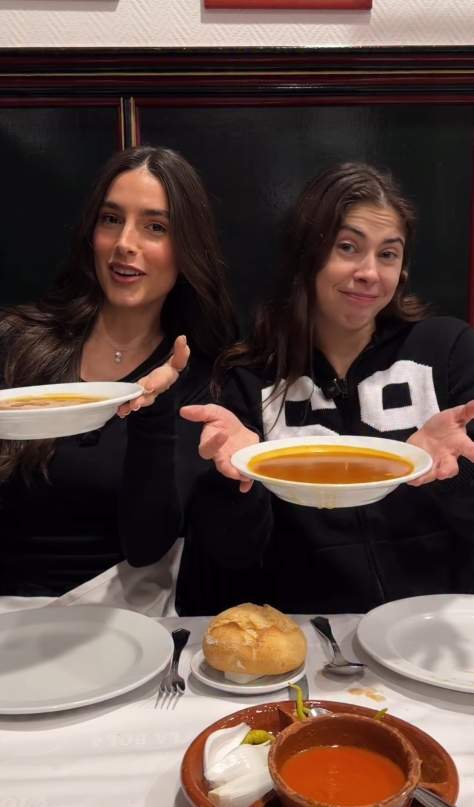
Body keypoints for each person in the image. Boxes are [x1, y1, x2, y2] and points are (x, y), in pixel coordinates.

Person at [180, 162, 474, 615]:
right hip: (310, 633)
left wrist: (454, 476)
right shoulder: (251, 377)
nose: (369, 273)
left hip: (434, 628)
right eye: (348, 247)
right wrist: (234, 479)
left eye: (388, 254)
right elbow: (229, 557)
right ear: (307, 256)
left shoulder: (449, 349)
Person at [0, 145, 236, 596]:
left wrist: (153, 411)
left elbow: (148, 545)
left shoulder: (206, 377)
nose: (125, 242)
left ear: (187, 249)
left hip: (124, 625)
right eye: (111, 219)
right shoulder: (16, 341)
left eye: (155, 227)